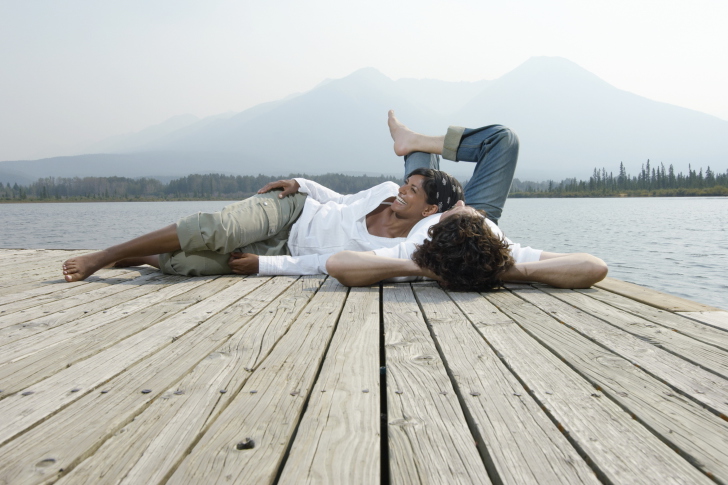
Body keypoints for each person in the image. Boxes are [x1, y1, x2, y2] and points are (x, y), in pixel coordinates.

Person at [61, 134, 465, 282]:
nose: (401, 191)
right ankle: (106, 254)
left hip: (285, 251)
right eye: (406, 184)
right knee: (218, 231)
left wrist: (265, 264)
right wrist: (300, 184)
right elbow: (339, 202)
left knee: (190, 266)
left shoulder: (404, 247)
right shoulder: (382, 191)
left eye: (412, 192)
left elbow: (326, 263)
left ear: (429, 211)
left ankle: (142, 255)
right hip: (293, 211)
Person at [325, 111, 608, 290]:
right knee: (503, 140)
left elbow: (339, 265)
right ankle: (413, 142)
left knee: (428, 178)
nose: (459, 203)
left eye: (463, 208)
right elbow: (593, 267)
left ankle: (412, 142)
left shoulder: (421, 251)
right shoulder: (504, 254)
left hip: (438, 223)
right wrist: (497, 270)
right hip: (471, 234)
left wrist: (432, 268)